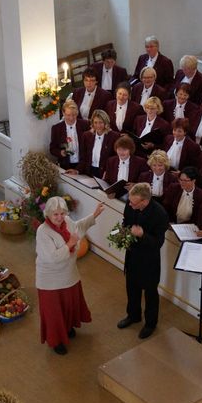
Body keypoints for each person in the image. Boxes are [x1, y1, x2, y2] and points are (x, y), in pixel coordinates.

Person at [36, 196, 105, 355]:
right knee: (54, 311)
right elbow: (52, 258)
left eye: (62, 213)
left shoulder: (66, 221)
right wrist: (70, 244)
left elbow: (78, 227)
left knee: (68, 305)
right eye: (55, 214)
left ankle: (67, 328)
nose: (59, 217)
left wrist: (94, 215)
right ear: (48, 214)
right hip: (50, 280)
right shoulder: (43, 232)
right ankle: (56, 340)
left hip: (69, 274)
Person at [117, 183, 169, 339]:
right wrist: (120, 234)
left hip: (149, 260)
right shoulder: (130, 204)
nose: (130, 205)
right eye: (130, 201)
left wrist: (142, 235)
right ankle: (133, 315)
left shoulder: (160, 214)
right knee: (131, 287)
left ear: (145, 201)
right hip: (132, 255)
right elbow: (125, 222)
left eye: (134, 203)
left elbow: (158, 243)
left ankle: (150, 324)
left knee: (150, 293)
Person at [50, 100, 90, 172]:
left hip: (83, 165)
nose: (71, 118)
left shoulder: (85, 125)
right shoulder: (56, 128)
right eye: (68, 115)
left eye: (74, 115)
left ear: (77, 113)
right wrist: (60, 152)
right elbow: (52, 149)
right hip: (65, 165)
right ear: (63, 113)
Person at [77, 109, 119, 178]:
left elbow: (115, 158)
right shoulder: (86, 135)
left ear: (105, 123)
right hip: (89, 171)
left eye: (100, 122)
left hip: (105, 173)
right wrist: (78, 170)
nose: (98, 125)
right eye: (95, 122)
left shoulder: (114, 136)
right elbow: (83, 156)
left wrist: (108, 173)